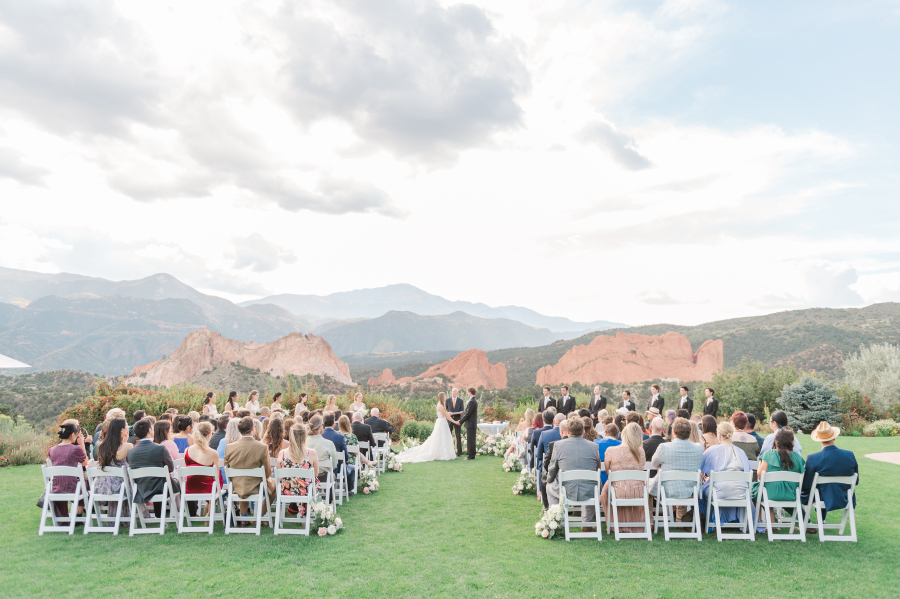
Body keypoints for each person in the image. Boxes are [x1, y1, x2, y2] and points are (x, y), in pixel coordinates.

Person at [546, 417, 602, 529]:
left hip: (566, 491)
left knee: (549, 487)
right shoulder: (594, 446)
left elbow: (552, 469)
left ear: (568, 431)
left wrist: (549, 481)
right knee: (595, 483)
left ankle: (556, 520)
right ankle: (587, 522)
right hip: (588, 491)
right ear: (583, 431)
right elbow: (597, 468)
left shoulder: (558, 445)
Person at [801, 421, 859, 523]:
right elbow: (856, 480)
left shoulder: (813, 458)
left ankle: (811, 520)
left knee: (813, 489)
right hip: (845, 496)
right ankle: (821, 519)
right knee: (821, 488)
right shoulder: (849, 455)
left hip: (822, 497)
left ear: (819, 440)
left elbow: (806, 484)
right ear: (834, 437)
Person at [649, 417, 704, 522]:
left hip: (668, 489)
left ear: (673, 432)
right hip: (691, 490)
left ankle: (650, 521)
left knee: (647, 489)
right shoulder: (698, 448)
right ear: (689, 432)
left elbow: (654, 463)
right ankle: (680, 520)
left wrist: (662, 466)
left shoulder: (664, 447)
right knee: (682, 483)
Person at [700, 422, 751, 527]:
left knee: (702, 491)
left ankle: (709, 521)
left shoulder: (712, 450)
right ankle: (732, 519)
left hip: (720, 493)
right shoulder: (741, 452)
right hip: (741, 492)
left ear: (719, 434)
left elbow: (702, 469)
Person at [599, 423, 648, 532]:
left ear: (623, 434)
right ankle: (632, 524)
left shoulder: (611, 450)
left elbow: (608, 471)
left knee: (605, 493)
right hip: (638, 491)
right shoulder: (641, 451)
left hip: (617, 491)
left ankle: (615, 524)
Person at [752, 429, 805, 525]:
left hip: (770, 494)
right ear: (792, 443)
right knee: (762, 489)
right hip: (792, 495)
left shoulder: (768, 454)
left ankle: (761, 523)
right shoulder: (798, 458)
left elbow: (760, 476)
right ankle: (771, 523)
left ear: (776, 442)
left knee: (755, 490)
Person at [127, 419, 179, 517]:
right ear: (149, 431)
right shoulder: (160, 448)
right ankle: (176, 513)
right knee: (174, 482)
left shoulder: (130, 452)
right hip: (160, 487)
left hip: (140, 487)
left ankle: (159, 514)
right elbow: (171, 468)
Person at [396, 393, 458, 463]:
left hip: (442, 423)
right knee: (439, 437)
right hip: (441, 423)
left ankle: (444, 453)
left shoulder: (441, 405)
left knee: (442, 437)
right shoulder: (440, 405)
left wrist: (448, 414)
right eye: (445, 396)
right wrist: (454, 421)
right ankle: (442, 454)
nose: (446, 397)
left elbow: (445, 414)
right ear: (442, 397)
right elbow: (446, 415)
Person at [48, 421, 90, 518]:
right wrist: (82, 444)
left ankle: (63, 520)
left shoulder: (52, 450)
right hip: (73, 488)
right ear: (72, 435)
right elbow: (85, 463)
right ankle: (81, 514)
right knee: (88, 486)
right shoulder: (76, 449)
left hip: (56, 488)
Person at [277, 424, 319, 517]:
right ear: (305, 436)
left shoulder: (282, 453)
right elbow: (316, 474)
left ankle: (294, 505)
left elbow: (279, 477)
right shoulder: (311, 453)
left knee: (300, 485)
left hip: (286, 490)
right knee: (310, 483)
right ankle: (306, 514)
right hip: (305, 489)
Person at [184, 421, 223, 517]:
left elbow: (186, 471)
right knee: (219, 480)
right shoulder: (213, 453)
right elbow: (216, 478)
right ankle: (209, 510)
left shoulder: (187, 450)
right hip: (207, 488)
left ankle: (207, 509)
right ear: (209, 435)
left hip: (190, 487)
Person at [93, 418, 133, 503]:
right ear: (122, 430)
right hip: (120, 486)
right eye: (127, 427)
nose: (128, 428)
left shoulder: (101, 446)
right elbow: (131, 465)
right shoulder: (128, 446)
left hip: (103, 485)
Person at [536, 413, 565, 490]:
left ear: (554, 421)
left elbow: (539, 455)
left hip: (548, 467)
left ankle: (541, 491)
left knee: (540, 464)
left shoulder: (544, 434)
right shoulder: (568, 436)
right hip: (564, 468)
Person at [457, 387, 479, 460]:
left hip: (470, 423)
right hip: (471, 423)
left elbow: (468, 414)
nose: (467, 393)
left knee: (470, 440)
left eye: (467, 392)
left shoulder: (472, 401)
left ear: (470, 392)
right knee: (471, 439)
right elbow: (468, 412)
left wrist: (460, 421)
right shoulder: (472, 400)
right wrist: (464, 412)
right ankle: (472, 454)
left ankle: (470, 455)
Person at [445, 389, 464, 456]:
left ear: (457, 393)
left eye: (454, 391)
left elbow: (462, 410)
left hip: (457, 421)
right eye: (452, 391)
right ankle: (447, 452)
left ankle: (460, 453)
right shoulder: (447, 400)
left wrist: (461, 413)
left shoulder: (461, 401)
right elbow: (444, 411)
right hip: (449, 421)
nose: (453, 392)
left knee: (458, 436)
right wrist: (448, 413)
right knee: (448, 436)